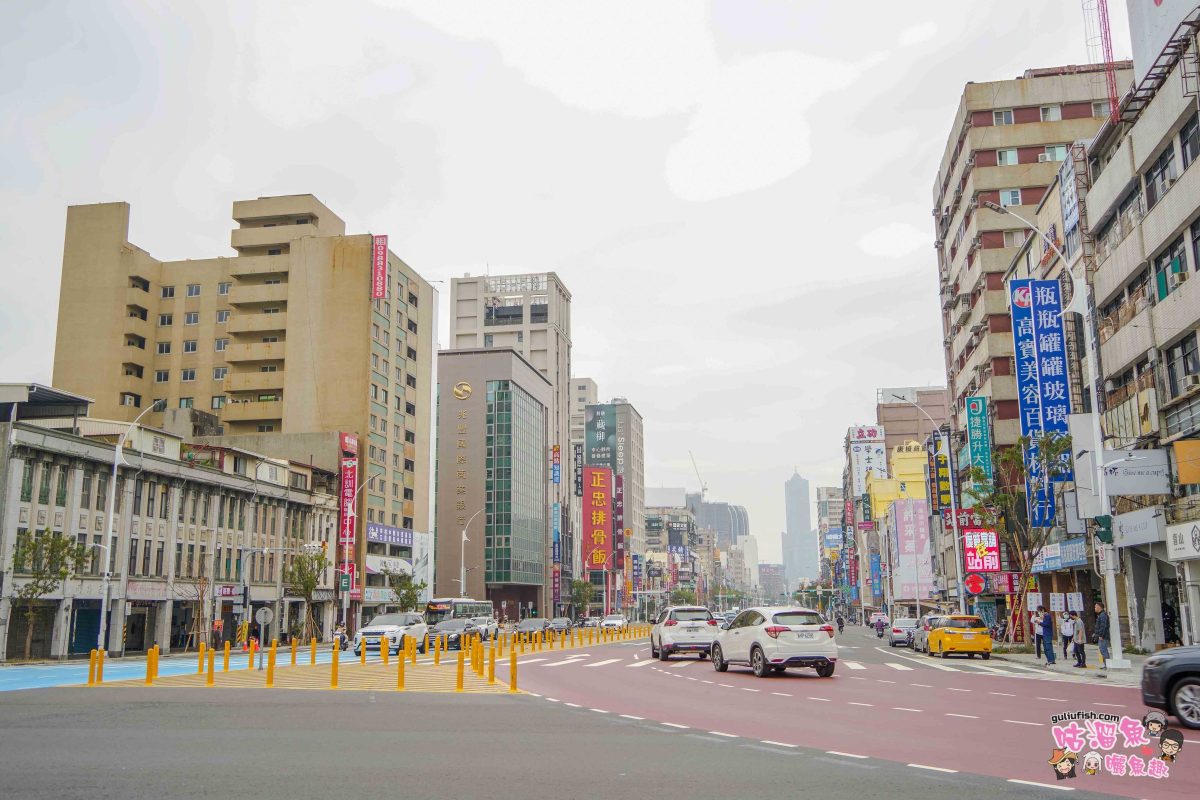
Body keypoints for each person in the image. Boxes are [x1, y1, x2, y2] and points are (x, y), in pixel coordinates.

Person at [1094, 602, 1110, 670]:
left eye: (1095, 607)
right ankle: (1106, 665)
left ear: (1099, 607)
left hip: (1103, 636)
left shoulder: (1103, 615)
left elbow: (1103, 626)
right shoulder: (1101, 615)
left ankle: (1108, 665)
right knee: (1102, 650)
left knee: (1103, 650)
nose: (1094, 608)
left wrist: (1101, 635)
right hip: (1101, 636)